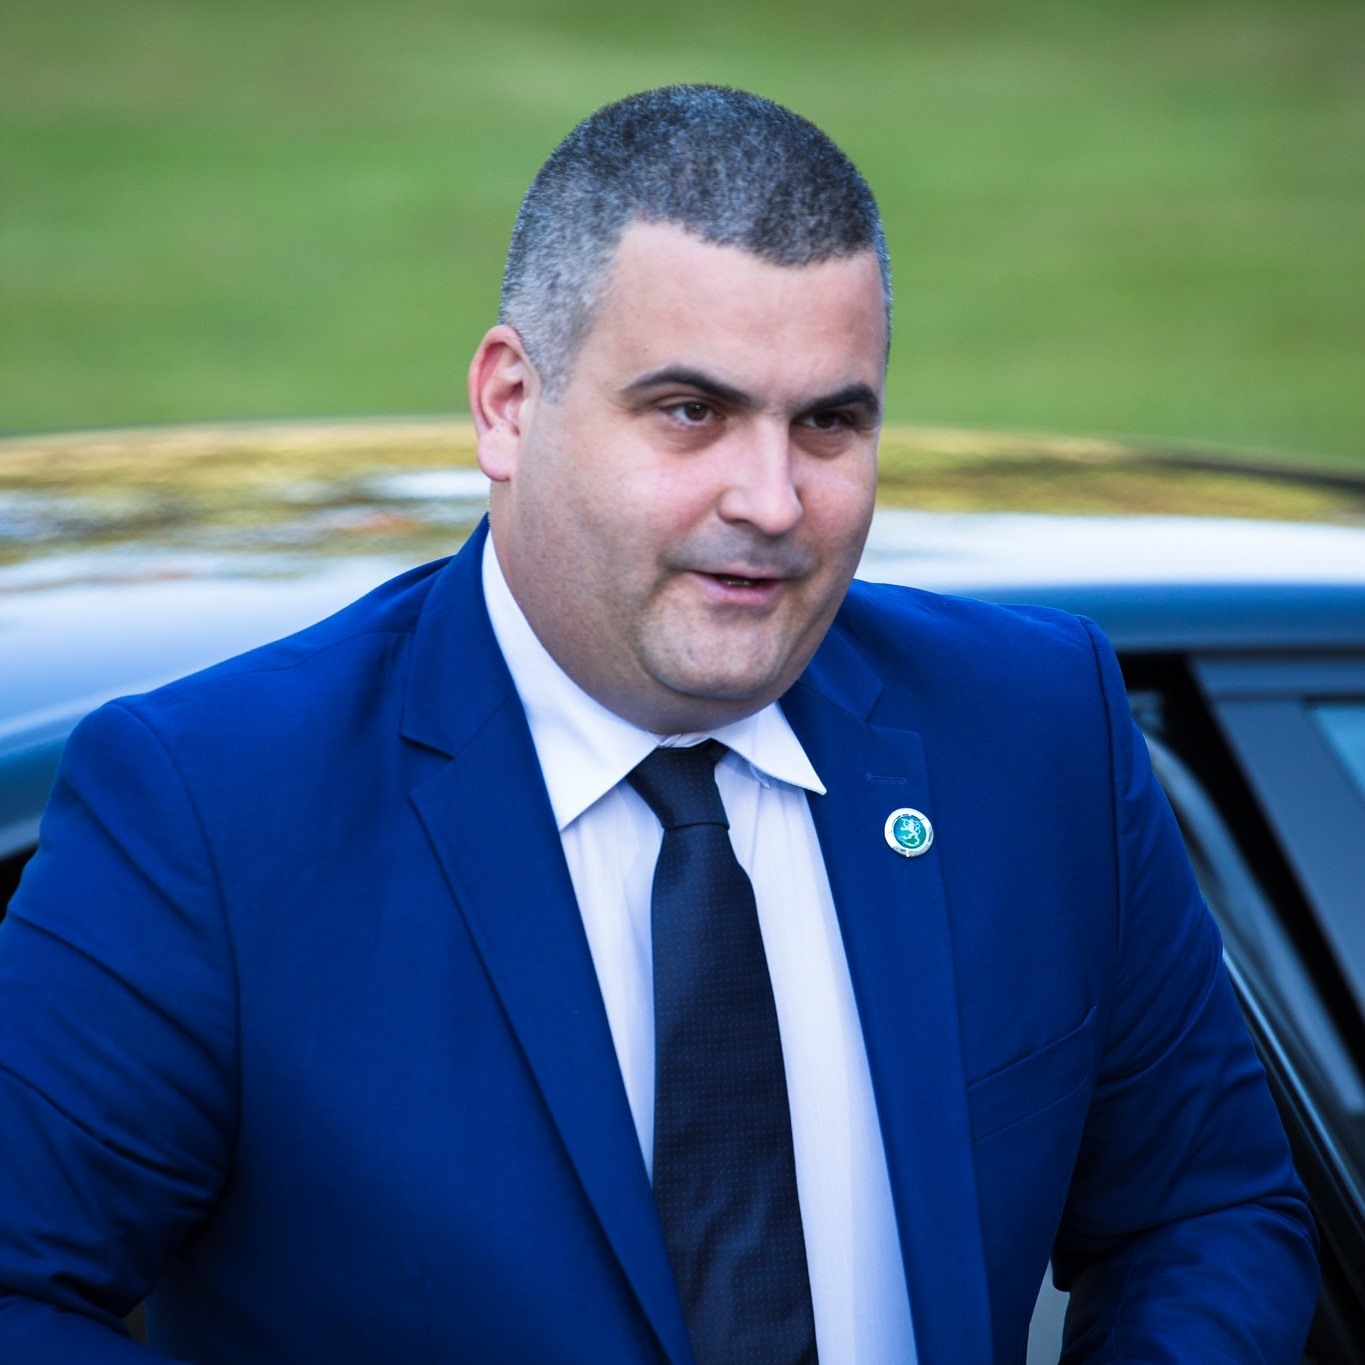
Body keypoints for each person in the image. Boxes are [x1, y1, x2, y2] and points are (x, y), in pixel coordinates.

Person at [0, 85, 1318, 1363]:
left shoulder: (1036, 735)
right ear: (509, 403)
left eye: (828, 422)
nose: (771, 500)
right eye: (692, 412)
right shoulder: (213, 811)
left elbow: (1203, 1213)